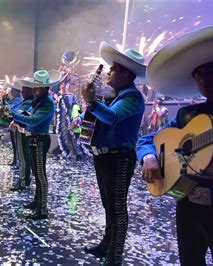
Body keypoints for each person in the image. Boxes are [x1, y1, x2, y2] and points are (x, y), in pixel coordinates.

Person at [137, 24, 213, 266]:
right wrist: (148, 156)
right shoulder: (187, 115)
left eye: (212, 72)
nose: (204, 80)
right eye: (199, 75)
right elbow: (148, 139)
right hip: (188, 202)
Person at [80, 42, 146, 265]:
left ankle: (115, 255)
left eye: (114, 70)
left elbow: (112, 117)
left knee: (117, 208)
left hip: (119, 158)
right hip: (106, 156)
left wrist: (91, 101)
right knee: (109, 205)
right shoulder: (117, 95)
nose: (109, 73)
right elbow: (102, 118)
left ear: (127, 74)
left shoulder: (133, 98)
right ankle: (106, 246)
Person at [11, 69, 61, 220]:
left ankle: (43, 209)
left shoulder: (47, 103)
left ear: (44, 88)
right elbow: (31, 118)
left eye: (36, 87)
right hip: (35, 139)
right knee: (36, 174)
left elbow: (33, 120)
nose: (34, 89)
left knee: (40, 175)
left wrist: (13, 115)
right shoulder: (40, 101)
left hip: (40, 140)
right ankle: (37, 201)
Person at [9, 85, 35, 191]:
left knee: (23, 156)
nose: (22, 92)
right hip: (25, 131)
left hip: (22, 131)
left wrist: (13, 114)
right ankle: (24, 179)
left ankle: (23, 180)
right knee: (25, 156)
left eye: (25, 90)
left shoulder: (28, 102)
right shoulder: (28, 101)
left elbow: (20, 114)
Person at [5, 84, 23, 167]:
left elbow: (13, 110)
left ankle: (17, 161)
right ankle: (15, 160)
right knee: (14, 143)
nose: (10, 92)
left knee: (16, 143)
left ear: (16, 91)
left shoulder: (18, 100)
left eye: (12, 90)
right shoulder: (14, 99)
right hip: (12, 123)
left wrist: (6, 103)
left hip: (16, 124)